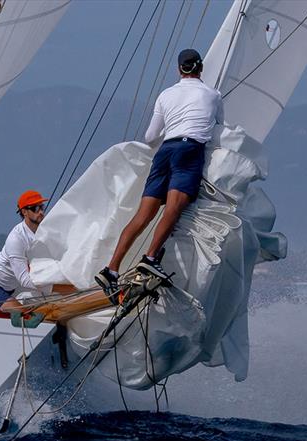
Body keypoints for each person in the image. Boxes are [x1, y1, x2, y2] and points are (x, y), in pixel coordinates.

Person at [95, 49, 223, 304]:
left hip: (164, 152)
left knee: (143, 215)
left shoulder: (165, 95)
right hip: (189, 151)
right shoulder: (213, 95)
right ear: (201, 69)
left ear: (179, 69)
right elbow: (220, 129)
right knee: (173, 209)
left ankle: (111, 269)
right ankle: (150, 259)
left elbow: (150, 136)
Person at [0, 190, 74, 311]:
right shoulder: (16, 238)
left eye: (42, 207)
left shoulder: (43, 231)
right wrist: (64, 289)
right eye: (35, 208)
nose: (41, 212)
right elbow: (25, 280)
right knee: (25, 316)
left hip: (14, 287)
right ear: (24, 212)